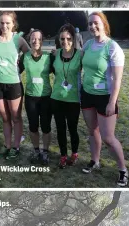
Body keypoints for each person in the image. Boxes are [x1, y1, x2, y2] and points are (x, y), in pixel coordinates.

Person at [81, 12, 128, 187]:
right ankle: (95, 161)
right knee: (92, 131)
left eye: (95, 23)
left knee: (108, 137)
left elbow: (117, 80)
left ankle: (123, 170)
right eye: (90, 24)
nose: (92, 27)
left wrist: (112, 102)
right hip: (87, 95)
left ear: (104, 24)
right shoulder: (87, 44)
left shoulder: (113, 47)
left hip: (105, 98)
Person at [0, 11, 29, 161]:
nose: (4, 26)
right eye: (2, 23)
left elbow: (30, 56)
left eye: (7, 23)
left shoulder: (19, 39)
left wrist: (19, 66)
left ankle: (16, 147)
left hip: (13, 84)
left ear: (13, 24)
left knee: (16, 117)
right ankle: (7, 145)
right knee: (5, 118)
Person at [50, 24, 82, 170]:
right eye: (62, 38)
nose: (65, 41)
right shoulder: (55, 54)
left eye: (68, 38)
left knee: (73, 128)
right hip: (56, 98)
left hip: (73, 99)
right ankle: (63, 155)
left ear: (73, 38)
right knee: (60, 129)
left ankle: (74, 153)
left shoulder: (80, 55)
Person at [21, 29, 53, 165]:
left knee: (46, 127)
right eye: (33, 38)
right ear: (29, 40)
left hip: (46, 97)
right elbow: (13, 70)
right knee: (33, 126)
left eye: (39, 39)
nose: (36, 41)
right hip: (30, 97)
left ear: (42, 40)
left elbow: (61, 70)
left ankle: (45, 152)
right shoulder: (25, 57)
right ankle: (36, 151)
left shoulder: (48, 57)